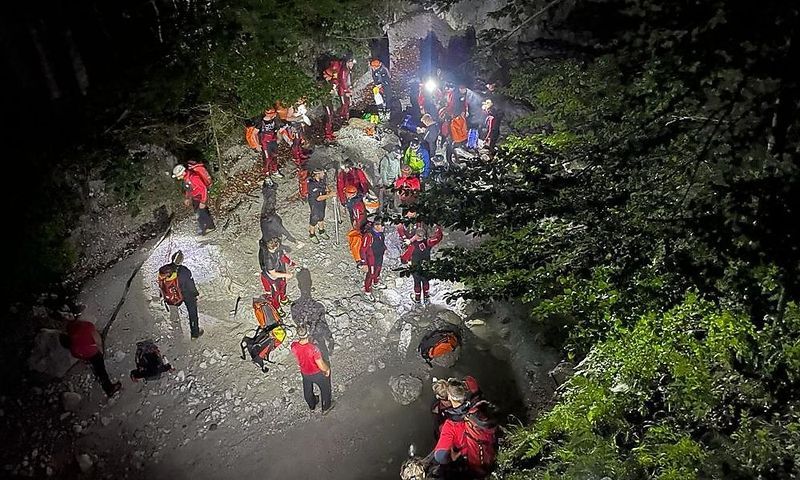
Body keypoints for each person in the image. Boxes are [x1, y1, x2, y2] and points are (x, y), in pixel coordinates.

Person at [432, 381, 497, 478]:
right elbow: (470, 380)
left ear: (449, 397)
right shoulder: (476, 408)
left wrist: (456, 455)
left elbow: (440, 456)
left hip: (472, 461)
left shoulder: (450, 425)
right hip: (488, 451)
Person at [60, 315, 122, 398]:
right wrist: (101, 349)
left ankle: (102, 380)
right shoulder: (84, 327)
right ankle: (109, 389)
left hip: (89, 355)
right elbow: (97, 340)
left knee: (98, 369)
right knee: (101, 370)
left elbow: (81, 357)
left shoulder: (73, 350)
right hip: (93, 351)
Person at [290, 325, 333, 414]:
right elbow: (320, 364)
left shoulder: (294, 346)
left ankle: (312, 405)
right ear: (308, 333)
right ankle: (326, 407)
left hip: (305, 372)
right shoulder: (313, 348)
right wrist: (327, 369)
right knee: (325, 389)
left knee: (307, 389)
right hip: (317, 373)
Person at [400, 226, 443, 304]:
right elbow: (438, 238)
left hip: (415, 268)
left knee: (417, 282)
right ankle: (426, 296)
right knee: (425, 281)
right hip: (426, 266)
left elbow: (404, 257)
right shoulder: (428, 242)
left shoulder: (412, 246)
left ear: (416, 236)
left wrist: (404, 261)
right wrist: (438, 230)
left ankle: (417, 298)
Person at [172, 164, 216, 236]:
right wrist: (187, 198)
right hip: (195, 198)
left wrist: (203, 201)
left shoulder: (193, 177)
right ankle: (204, 227)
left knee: (202, 212)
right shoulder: (186, 178)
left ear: (183, 173)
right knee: (199, 213)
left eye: (178, 176)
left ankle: (210, 227)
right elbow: (188, 189)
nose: (178, 178)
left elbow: (203, 188)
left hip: (200, 197)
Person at [170, 250, 204, 339]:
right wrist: (195, 294)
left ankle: (176, 329)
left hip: (173, 295)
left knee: (174, 310)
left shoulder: (166, 270)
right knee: (193, 313)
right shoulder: (185, 271)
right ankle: (195, 333)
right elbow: (190, 285)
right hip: (187, 295)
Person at [258, 237, 295, 313]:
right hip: (272, 278)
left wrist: (290, 263)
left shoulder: (278, 250)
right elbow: (273, 273)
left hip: (280, 270)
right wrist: (286, 275)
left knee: (283, 285)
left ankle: (283, 299)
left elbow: (282, 257)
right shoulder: (268, 259)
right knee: (275, 292)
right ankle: (277, 307)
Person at [307, 168, 336, 244]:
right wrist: (330, 195)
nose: (323, 174)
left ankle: (321, 230)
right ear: (317, 174)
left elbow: (325, 186)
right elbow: (318, 198)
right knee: (315, 217)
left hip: (322, 201)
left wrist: (329, 190)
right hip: (315, 203)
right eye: (322, 173)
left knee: (321, 215)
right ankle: (312, 234)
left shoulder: (321, 180)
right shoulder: (312, 185)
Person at [359, 217, 387, 295]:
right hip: (371, 258)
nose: (384, 228)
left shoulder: (381, 233)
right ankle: (367, 291)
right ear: (376, 226)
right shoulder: (368, 236)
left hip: (379, 256)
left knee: (378, 270)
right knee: (370, 274)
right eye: (382, 226)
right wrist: (364, 263)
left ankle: (376, 283)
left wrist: (385, 248)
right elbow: (362, 250)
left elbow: (381, 242)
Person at [378, 144, 402, 212]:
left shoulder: (397, 159)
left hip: (394, 181)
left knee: (393, 197)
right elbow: (383, 172)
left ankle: (392, 209)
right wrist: (385, 183)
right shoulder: (386, 159)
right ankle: (382, 211)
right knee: (384, 197)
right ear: (393, 152)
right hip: (387, 181)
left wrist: (399, 178)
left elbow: (398, 168)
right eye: (397, 154)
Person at [259, 108, 282, 178]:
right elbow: (254, 133)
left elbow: (278, 130)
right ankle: (266, 173)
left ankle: (275, 170)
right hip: (265, 142)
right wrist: (257, 144)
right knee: (267, 158)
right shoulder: (261, 122)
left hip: (273, 140)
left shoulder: (275, 120)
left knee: (275, 156)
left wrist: (279, 138)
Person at [338, 55, 355, 120]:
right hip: (343, 90)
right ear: (347, 63)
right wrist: (346, 91)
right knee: (344, 104)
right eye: (350, 63)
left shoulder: (348, 70)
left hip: (346, 89)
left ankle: (346, 116)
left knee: (347, 103)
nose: (352, 65)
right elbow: (343, 81)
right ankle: (343, 117)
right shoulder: (344, 71)